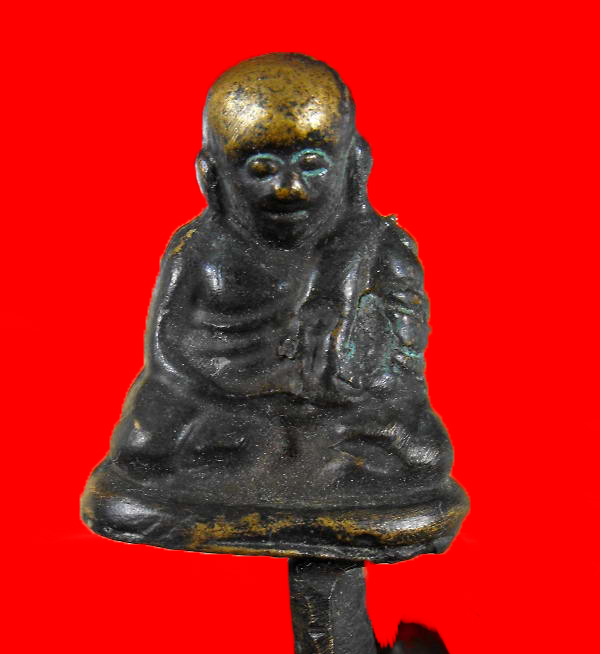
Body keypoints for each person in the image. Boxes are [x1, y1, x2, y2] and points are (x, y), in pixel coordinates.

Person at [82, 53, 457, 545]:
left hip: (339, 403)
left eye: (313, 165)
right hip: (219, 396)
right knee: (143, 449)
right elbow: (166, 351)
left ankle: (282, 453)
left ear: (355, 164)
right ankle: (294, 455)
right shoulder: (200, 248)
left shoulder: (380, 247)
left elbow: (405, 355)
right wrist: (235, 384)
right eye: (261, 169)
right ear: (211, 174)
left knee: (424, 454)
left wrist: (346, 372)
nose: (288, 189)